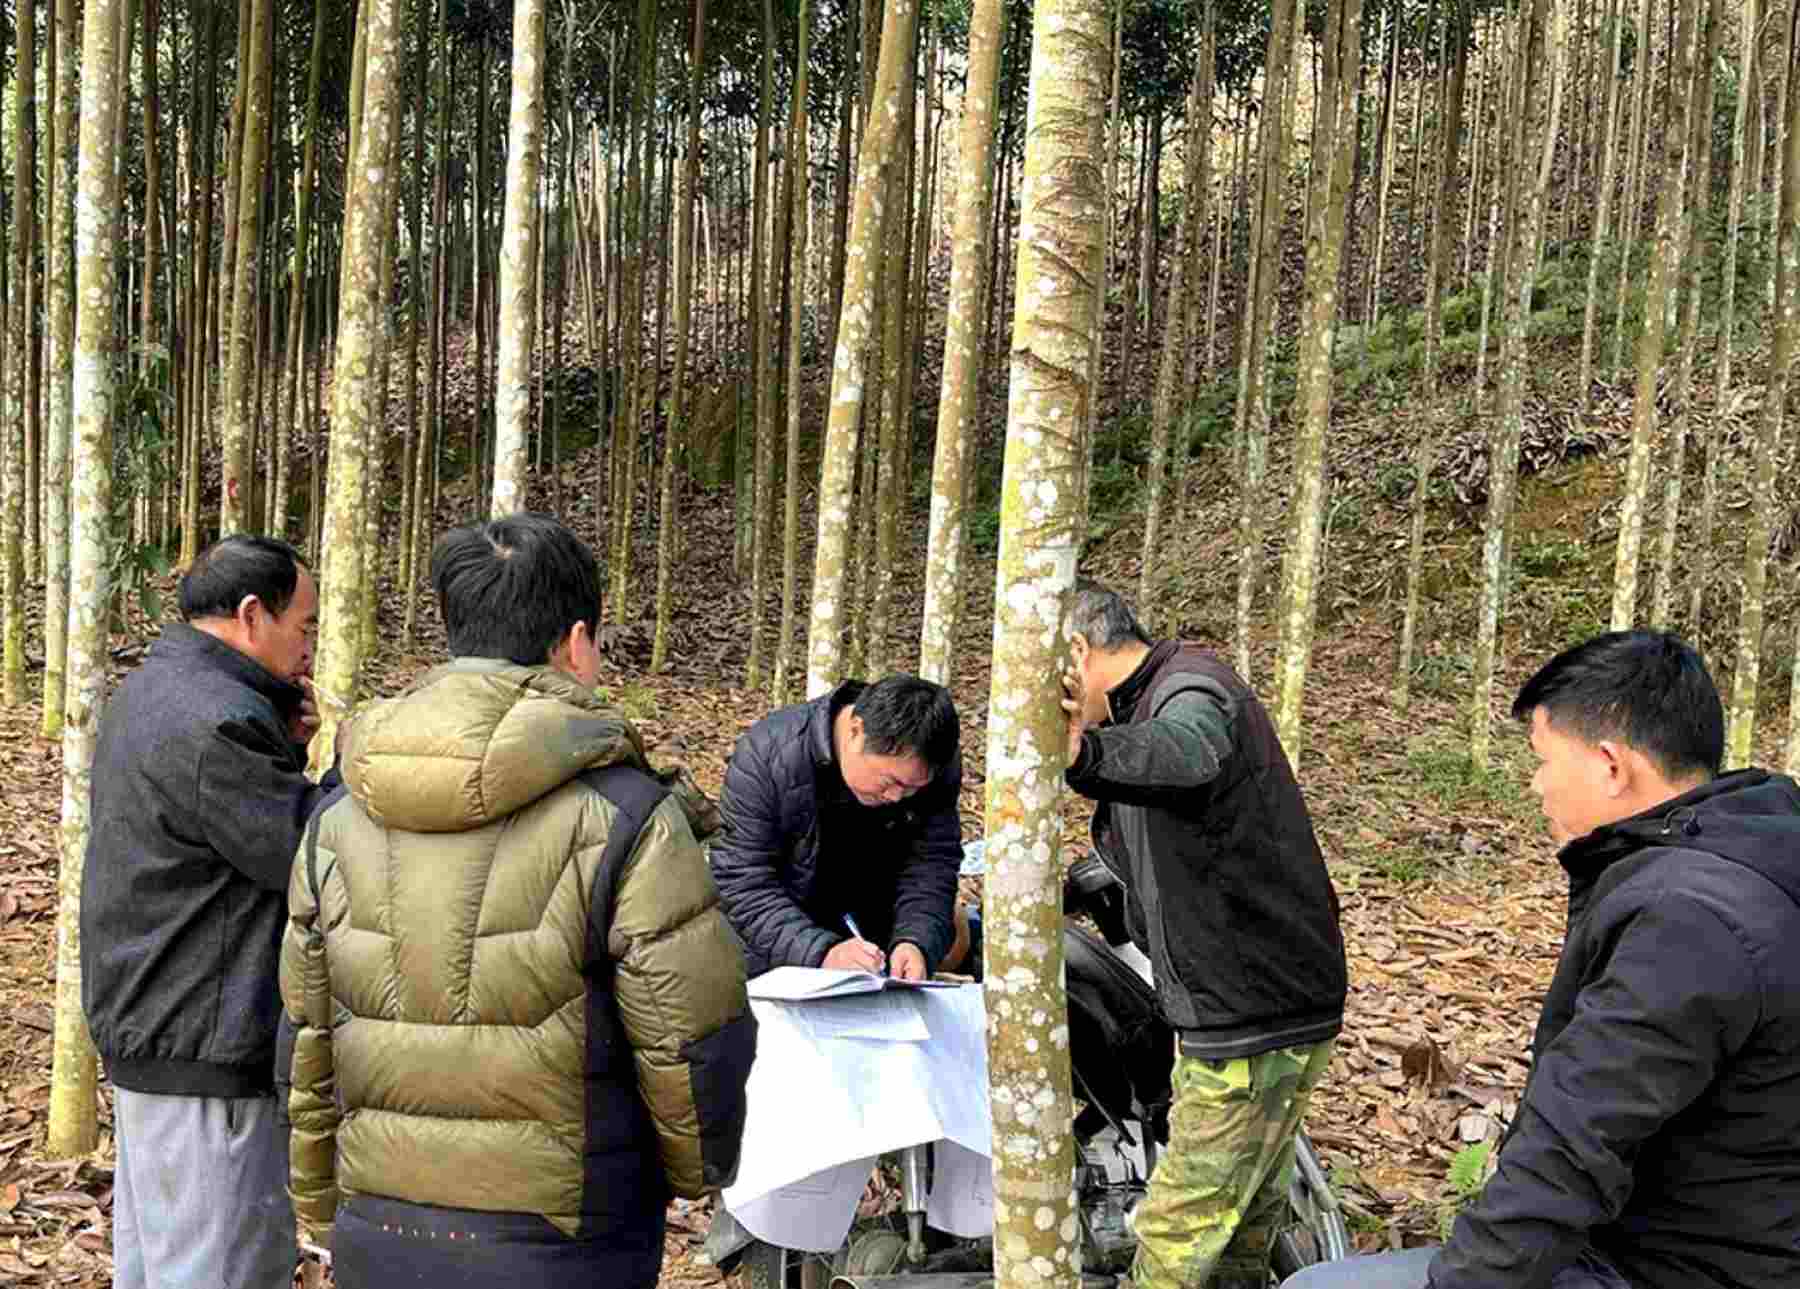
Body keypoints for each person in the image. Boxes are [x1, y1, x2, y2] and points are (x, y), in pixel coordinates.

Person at [278, 513, 756, 1288]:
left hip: (383, 1222)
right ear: (576, 641)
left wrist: (322, 1203)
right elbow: (689, 1036)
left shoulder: (339, 812)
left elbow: (306, 1033)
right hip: (568, 1234)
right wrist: (696, 1170)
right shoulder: (627, 813)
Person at [1284, 630, 1800, 1289]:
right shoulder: (1752, 854)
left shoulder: (1687, 919)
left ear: (1610, 765)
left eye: (1544, 759)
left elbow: (1572, 1148)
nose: (1535, 785)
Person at [1059, 580, 1347, 1289]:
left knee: (1174, 1239)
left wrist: (1086, 755)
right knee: (1241, 1226)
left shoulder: (1190, 688)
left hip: (1251, 1010)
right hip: (1254, 999)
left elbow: (1189, 753)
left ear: (1077, 650)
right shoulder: (1142, 705)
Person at [81, 535, 329, 1289]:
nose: (309, 648)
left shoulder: (153, 689)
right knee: (221, 1269)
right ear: (253, 615)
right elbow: (304, 853)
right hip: (204, 1049)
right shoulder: (217, 721)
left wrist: (284, 743)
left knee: (161, 1266)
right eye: (304, 626)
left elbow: (220, 834)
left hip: (157, 1032)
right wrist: (351, 776)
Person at [711, 674, 964, 980]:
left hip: (876, 946)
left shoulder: (933, 761)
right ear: (855, 731)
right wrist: (820, 952)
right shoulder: (767, 754)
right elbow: (741, 880)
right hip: (777, 939)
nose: (897, 797)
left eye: (912, 789)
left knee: (954, 932)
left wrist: (915, 941)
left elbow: (932, 863)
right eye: (890, 782)